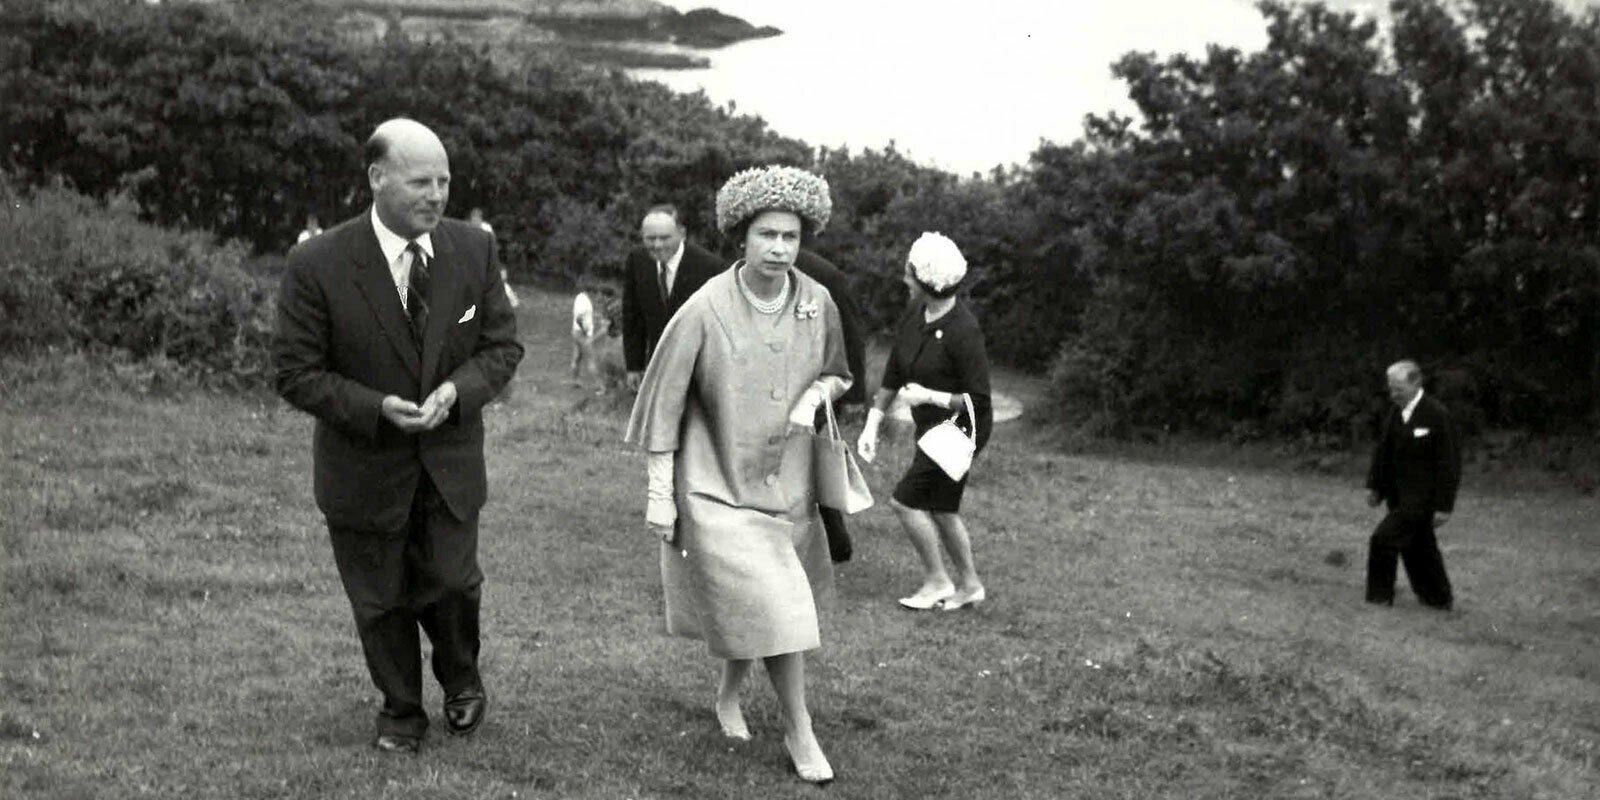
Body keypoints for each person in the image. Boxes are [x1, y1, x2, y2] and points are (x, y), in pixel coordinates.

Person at [272, 118, 524, 755]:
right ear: (377, 178)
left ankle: (461, 678)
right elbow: (295, 373)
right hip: (362, 467)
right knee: (379, 600)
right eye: (420, 181)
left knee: (454, 583)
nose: (436, 195)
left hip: (450, 463)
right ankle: (401, 711)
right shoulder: (317, 262)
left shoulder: (473, 249)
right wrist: (374, 406)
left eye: (444, 180)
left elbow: (501, 346)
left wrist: (458, 392)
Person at [625, 165, 850, 784]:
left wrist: (814, 398)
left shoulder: (817, 301)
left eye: (790, 238)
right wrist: (658, 495)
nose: (779, 248)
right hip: (714, 486)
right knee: (776, 605)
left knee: (760, 605)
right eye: (767, 236)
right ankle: (800, 729)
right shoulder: (703, 308)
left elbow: (839, 371)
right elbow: (662, 403)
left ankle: (728, 695)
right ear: (741, 239)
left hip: (788, 483)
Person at [857, 232, 992, 612]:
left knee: (906, 502)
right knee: (943, 509)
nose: (904, 278)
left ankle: (937, 580)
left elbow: (977, 399)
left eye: (909, 272)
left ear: (925, 280)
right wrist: (873, 420)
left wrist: (930, 396)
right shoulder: (916, 313)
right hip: (931, 427)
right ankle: (969, 585)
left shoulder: (964, 331)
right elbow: (896, 368)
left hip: (960, 430)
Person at [1364, 359, 1460, 611]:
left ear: (1417, 382)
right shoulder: (1396, 412)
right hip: (1398, 495)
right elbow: (1383, 452)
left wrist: (1444, 506)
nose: (1393, 394)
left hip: (1422, 499)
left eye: (1398, 388)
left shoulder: (1437, 414)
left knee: (1383, 539)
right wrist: (1375, 487)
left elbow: (1449, 463)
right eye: (1391, 388)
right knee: (1418, 546)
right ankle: (1438, 599)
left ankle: (1378, 597)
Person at [793, 248, 867, 562]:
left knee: (807, 461)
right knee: (808, 463)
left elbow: (850, 335)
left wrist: (855, 395)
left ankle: (832, 540)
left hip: (817, 387)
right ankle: (835, 541)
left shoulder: (825, 275)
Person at [620, 204, 722, 391]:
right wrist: (634, 365)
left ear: (681, 233)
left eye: (665, 238)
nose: (657, 245)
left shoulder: (710, 267)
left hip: (699, 370)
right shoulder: (637, 261)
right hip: (656, 367)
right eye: (651, 238)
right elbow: (632, 316)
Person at [570, 282, 608, 392]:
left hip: (575, 331)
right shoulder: (586, 302)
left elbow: (581, 314)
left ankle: (575, 380)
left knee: (576, 358)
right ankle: (601, 387)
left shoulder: (579, 297)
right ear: (591, 292)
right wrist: (585, 331)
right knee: (591, 360)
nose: (597, 296)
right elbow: (579, 317)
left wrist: (594, 316)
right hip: (582, 334)